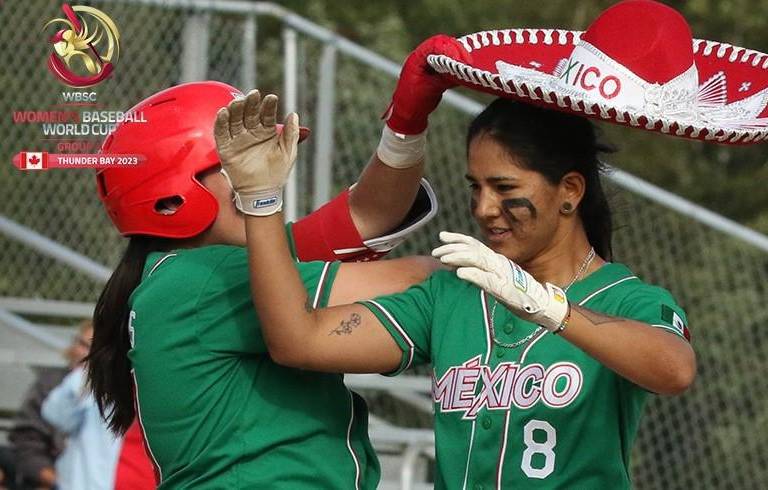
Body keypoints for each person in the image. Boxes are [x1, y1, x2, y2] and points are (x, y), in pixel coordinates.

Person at [227, 43, 699, 490]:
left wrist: (551, 308)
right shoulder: (456, 292)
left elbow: (674, 370)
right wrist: (260, 201)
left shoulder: (624, 298)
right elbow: (297, 340)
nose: (484, 208)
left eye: (504, 187)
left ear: (570, 191)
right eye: (475, 187)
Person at [86, 34, 467, 489]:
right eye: (238, 160)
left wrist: (407, 120)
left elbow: (369, 214)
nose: (266, 165)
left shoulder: (205, 272)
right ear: (171, 199)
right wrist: (530, 273)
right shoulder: (201, 277)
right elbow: (408, 279)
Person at [8, 322, 92, 489]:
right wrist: (55, 481)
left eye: (94, 348)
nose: (86, 354)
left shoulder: (118, 392)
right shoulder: (50, 384)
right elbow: (27, 441)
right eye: (83, 344)